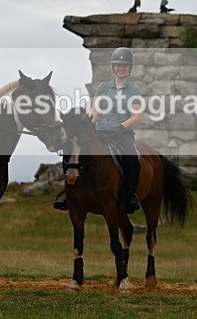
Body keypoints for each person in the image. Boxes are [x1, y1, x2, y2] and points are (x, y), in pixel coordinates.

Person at [54, 47, 143, 214]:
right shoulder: (103, 87)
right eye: (118, 65)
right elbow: (96, 110)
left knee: (132, 157)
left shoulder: (134, 91)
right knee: (73, 150)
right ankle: (69, 194)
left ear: (130, 68)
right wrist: (90, 124)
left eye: (124, 66)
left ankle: (131, 196)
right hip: (100, 130)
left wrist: (121, 126)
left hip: (121, 133)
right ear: (113, 67)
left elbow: (136, 116)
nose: (121, 68)